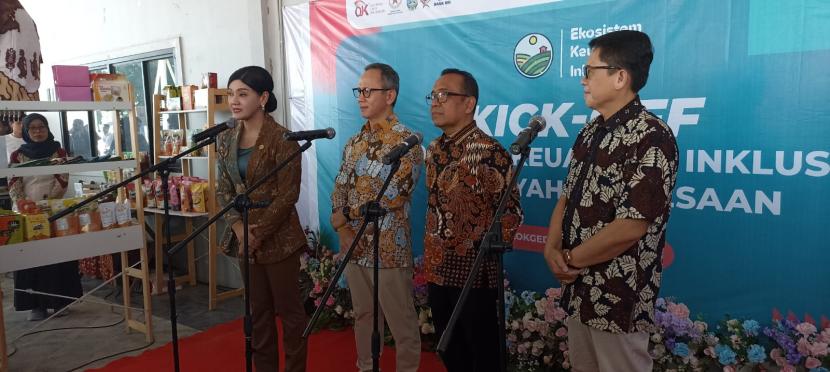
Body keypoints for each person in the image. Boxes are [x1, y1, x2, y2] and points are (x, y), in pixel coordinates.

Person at [542, 30, 679, 372]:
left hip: (620, 298)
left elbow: (630, 226)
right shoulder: (590, 132)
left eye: (590, 71)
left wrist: (570, 259)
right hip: (579, 293)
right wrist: (551, 247)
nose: (583, 80)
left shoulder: (652, 137)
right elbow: (567, 198)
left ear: (620, 77)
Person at [423, 68, 523, 372]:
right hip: (437, 269)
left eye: (444, 95)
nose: (435, 102)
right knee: (449, 352)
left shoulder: (490, 152)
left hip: (474, 277)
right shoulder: (435, 149)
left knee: (482, 355)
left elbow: (511, 213)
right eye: (433, 96)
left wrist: (483, 255)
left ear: (469, 104)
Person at [330, 63, 423, 372]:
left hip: (388, 249)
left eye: (369, 91)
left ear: (390, 95)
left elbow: (394, 196)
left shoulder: (407, 143)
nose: (361, 97)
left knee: (402, 323)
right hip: (354, 247)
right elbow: (340, 185)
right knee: (364, 316)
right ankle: (366, 367)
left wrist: (344, 217)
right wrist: (344, 231)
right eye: (359, 90)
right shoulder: (354, 142)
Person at [216, 65, 308, 372]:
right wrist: (241, 229)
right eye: (231, 94)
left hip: (279, 238)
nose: (235, 101)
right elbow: (223, 189)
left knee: (291, 315)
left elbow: (288, 194)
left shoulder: (283, 138)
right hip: (245, 238)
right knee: (258, 315)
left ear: (263, 97)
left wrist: (258, 232)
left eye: (243, 94)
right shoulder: (226, 139)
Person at [9, 113, 80, 321]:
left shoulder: (58, 151)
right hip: (26, 212)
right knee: (30, 258)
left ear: (48, 129)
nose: (38, 132)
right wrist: (25, 204)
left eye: (42, 127)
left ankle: (59, 303)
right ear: (26, 132)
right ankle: (35, 306)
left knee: (57, 256)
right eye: (33, 128)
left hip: (53, 209)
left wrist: (47, 203)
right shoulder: (17, 155)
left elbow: (62, 179)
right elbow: (14, 182)